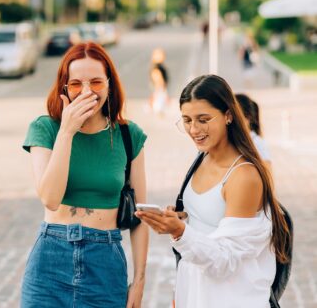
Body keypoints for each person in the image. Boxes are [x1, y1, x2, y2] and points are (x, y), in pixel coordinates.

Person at [136, 75, 291, 308]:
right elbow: (207, 222)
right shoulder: (202, 159)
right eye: (186, 120)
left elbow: (225, 260)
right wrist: (181, 218)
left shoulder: (243, 176)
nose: (194, 129)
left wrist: (180, 232)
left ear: (228, 115)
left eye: (203, 119)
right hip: (197, 296)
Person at [21, 42, 149, 307]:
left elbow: (140, 217)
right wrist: (67, 131)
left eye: (96, 82)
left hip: (105, 262)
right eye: (76, 83)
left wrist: (139, 281)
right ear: (64, 88)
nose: (87, 91)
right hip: (50, 262)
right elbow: (50, 198)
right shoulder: (46, 129)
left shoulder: (129, 135)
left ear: (110, 84)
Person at [235, 93, 272, 168]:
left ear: (248, 118)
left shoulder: (257, 144)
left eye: (234, 116)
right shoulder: (236, 141)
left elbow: (268, 173)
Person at [149, 48, 169, 116]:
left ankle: (159, 110)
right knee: (159, 98)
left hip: (161, 86)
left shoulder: (159, 66)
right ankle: (158, 110)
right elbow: (157, 77)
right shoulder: (157, 67)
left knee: (160, 97)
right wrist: (160, 86)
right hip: (160, 86)